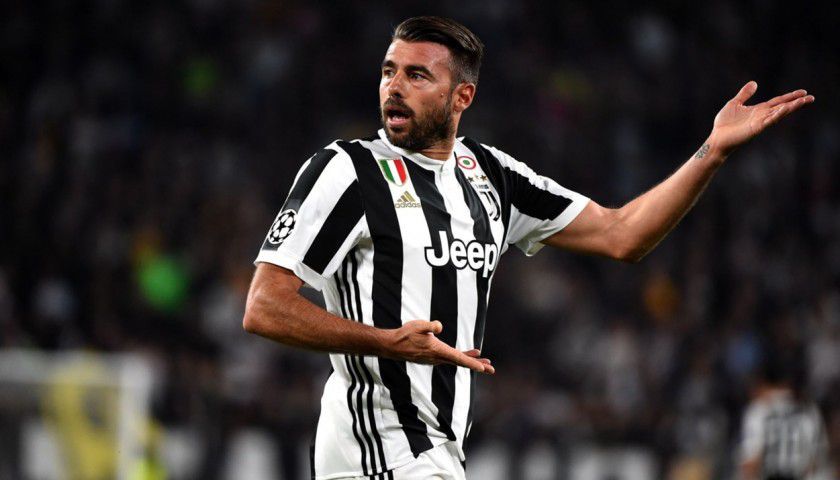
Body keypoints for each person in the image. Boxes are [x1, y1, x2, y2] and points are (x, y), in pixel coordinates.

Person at [242, 16, 814, 480]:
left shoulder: (490, 174)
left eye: (417, 75)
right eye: (389, 71)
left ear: (462, 96)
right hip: (379, 449)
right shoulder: (347, 170)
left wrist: (712, 151)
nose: (395, 86)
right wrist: (386, 342)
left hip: (436, 453)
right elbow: (264, 305)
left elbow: (622, 234)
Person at [739, 356, 830, 480]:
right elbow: (816, 460)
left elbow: (751, 463)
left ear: (763, 382)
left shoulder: (759, 409)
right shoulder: (810, 410)